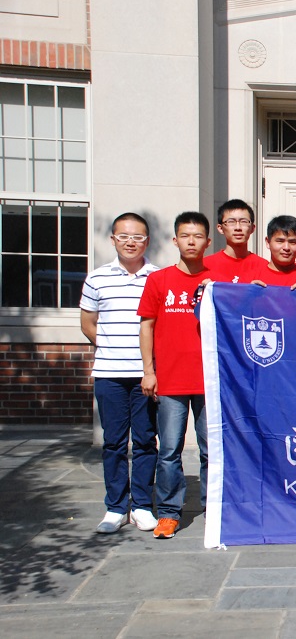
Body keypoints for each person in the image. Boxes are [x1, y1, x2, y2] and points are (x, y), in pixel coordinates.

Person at [138, 211, 219, 539]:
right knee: (170, 449)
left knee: (211, 449)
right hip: (170, 380)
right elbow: (147, 326)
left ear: (208, 242)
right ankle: (169, 512)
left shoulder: (216, 281)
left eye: (198, 236)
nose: (191, 241)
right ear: (175, 240)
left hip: (208, 380)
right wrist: (149, 371)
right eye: (185, 236)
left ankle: (214, 508)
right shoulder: (159, 280)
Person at [80, 213, 160, 534]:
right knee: (113, 442)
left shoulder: (158, 277)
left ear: (147, 241)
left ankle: (141, 505)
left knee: (145, 441)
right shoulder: (97, 278)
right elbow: (87, 323)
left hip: (146, 375)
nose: (130, 242)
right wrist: (112, 346)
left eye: (137, 237)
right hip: (109, 374)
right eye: (123, 236)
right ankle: (115, 507)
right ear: (113, 239)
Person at [250, 215, 296, 290]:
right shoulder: (251, 277)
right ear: (268, 242)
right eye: (280, 241)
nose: (286, 248)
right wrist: (249, 292)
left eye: (292, 242)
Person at [203, 199, 265, 283]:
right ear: (220, 228)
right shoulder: (205, 266)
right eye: (231, 222)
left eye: (244, 221)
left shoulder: (263, 266)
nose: (238, 228)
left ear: (252, 228)